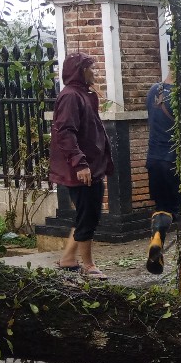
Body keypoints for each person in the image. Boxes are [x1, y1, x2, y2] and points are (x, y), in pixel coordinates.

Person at [49, 52, 115, 280]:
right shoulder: (70, 96)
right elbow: (65, 132)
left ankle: (68, 258)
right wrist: (80, 164)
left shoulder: (82, 94)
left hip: (91, 166)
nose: (94, 73)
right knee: (88, 216)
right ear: (80, 71)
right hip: (81, 169)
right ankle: (88, 265)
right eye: (91, 68)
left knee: (86, 214)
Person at [144, 71, 180, 274]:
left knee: (161, 207)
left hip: (153, 159)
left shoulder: (153, 91)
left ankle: (156, 242)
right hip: (173, 161)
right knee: (178, 210)